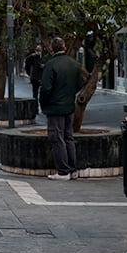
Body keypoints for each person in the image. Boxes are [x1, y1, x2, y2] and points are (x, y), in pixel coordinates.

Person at [39, 37, 84, 180]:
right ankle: (73, 169)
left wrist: (43, 103)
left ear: (51, 49)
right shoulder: (75, 64)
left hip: (54, 107)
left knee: (57, 138)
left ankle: (63, 171)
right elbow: (80, 83)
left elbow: (45, 88)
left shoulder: (50, 65)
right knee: (68, 137)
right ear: (64, 48)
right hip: (69, 106)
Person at [24, 44, 45, 114]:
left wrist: (44, 66)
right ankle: (36, 109)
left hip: (43, 77)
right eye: (37, 50)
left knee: (43, 94)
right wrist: (29, 74)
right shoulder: (32, 57)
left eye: (39, 50)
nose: (38, 51)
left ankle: (43, 108)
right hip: (35, 78)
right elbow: (27, 63)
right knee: (35, 94)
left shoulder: (44, 57)